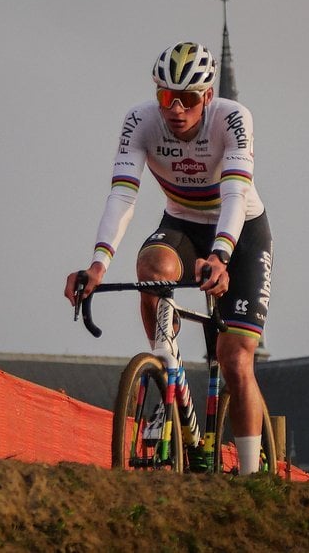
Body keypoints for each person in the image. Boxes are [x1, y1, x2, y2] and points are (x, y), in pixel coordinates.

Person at [64, 42, 274, 474]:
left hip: (242, 230)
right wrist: (98, 265)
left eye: (189, 98)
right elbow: (123, 194)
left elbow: (234, 193)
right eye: (166, 97)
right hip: (180, 221)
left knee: (235, 358)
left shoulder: (233, 118)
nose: (176, 109)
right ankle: (167, 367)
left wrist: (220, 255)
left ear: (208, 97)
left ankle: (254, 480)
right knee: (151, 271)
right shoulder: (139, 121)